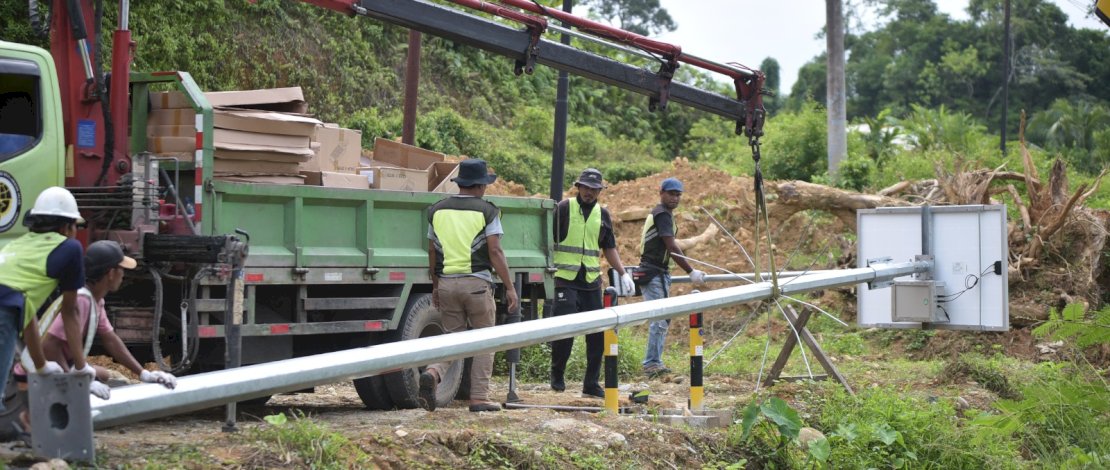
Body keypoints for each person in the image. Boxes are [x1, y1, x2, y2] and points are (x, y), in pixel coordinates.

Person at [15, 240, 177, 434]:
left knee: (104, 374)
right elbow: (50, 346)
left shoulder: (95, 300)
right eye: (121, 269)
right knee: (54, 428)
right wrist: (75, 383)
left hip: (52, 369)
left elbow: (111, 339)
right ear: (110, 273)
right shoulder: (82, 300)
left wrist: (143, 373)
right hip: (35, 374)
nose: (124, 275)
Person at [420, 159, 518, 413]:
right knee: (485, 341)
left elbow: (432, 250)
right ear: (480, 185)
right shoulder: (487, 211)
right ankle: (479, 398)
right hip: (476, 284)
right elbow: (495, 250)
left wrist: (435, 284)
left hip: (446, 284)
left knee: (454, 338)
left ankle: (433, 371)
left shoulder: (436, 210)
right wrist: (509, 286)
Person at [549, 168, 635, 398]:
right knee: (564, 332)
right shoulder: (564, 208)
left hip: (590, 281)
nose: (589, 192)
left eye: (594, 189)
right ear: (578, 187)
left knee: (597, 335)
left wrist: (623, 273)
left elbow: (608, 247)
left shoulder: (602, 214)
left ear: (599, 191)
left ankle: (590, 382)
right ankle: (557, 374)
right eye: (586, 188)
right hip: (565, 279)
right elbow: (547, 238)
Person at [0, 187, 90, 403]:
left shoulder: (18, 245)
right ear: (67, 227)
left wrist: (41, 366)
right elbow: (70, 311)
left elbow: (26, 314)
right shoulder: (70, 248)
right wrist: (81, 366)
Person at [639, 178, 706, 376]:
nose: (675, 198)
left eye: (678, 194)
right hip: (653, 272)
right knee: (659, 319)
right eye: (671, 193)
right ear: (661, 192)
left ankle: (654, 362)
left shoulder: (664, 214)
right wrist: (690, 271)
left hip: (658, 272)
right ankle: (651, 364)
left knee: (663, 318)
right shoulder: (662, 215)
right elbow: (672, 246)